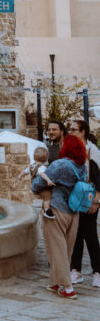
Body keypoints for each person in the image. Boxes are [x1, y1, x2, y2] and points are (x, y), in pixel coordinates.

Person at [33, 134, 88, 298]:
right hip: (74, 212)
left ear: (67, 147)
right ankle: (56, 282)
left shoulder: (60, 165)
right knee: (67, 249)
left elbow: (37, 185)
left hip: (56, 211)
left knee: (56, 249)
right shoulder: (82, 166)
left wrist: (35, 178)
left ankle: (68, 288)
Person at [68, 118, 100, 288]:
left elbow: (98, 178)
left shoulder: (92, 151)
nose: (70, 132)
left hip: (88, 199)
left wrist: (96, 201)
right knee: (76, 235)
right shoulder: (72, 150)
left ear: (82, 132)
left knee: (91, 236)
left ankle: (97, 272)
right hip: (75, 199)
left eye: (73, 129)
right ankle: (76, 270)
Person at [19, 145, 54, 218]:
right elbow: (42, 174)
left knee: (42, 197)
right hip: (40, 186)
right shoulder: (42, 167)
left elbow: (24, 172)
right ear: (46, 158)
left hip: (34, 186)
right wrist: (48, 180)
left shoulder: (31, 166)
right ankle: (47, 210)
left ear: (34, 157)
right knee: (47, 196)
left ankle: (42, 210)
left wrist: (20, 176)